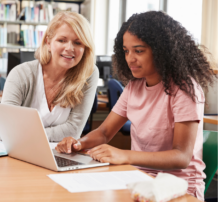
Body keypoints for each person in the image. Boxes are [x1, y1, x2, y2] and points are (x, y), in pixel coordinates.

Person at [55, 11, 217, 200]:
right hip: (138, 180)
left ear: (161, 50)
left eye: (138, 51)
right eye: (126, 51)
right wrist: (78, 143)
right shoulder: (134, 87)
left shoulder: (184, 90)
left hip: (177, 187)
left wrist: (125, 155)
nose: (130, 58)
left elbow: (181, 157)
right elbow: (104, 133)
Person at [0, 11, 98, 142]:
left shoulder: (88, 73)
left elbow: (74, 130)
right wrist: (8, 132)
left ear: (85, 47)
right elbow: (5, 130)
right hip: (18, 151)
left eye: (78, 43)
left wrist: (22, 134)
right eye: (62, 40)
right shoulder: (21, 74)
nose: (69, 48)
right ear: (48, 42)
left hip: (58, 155)